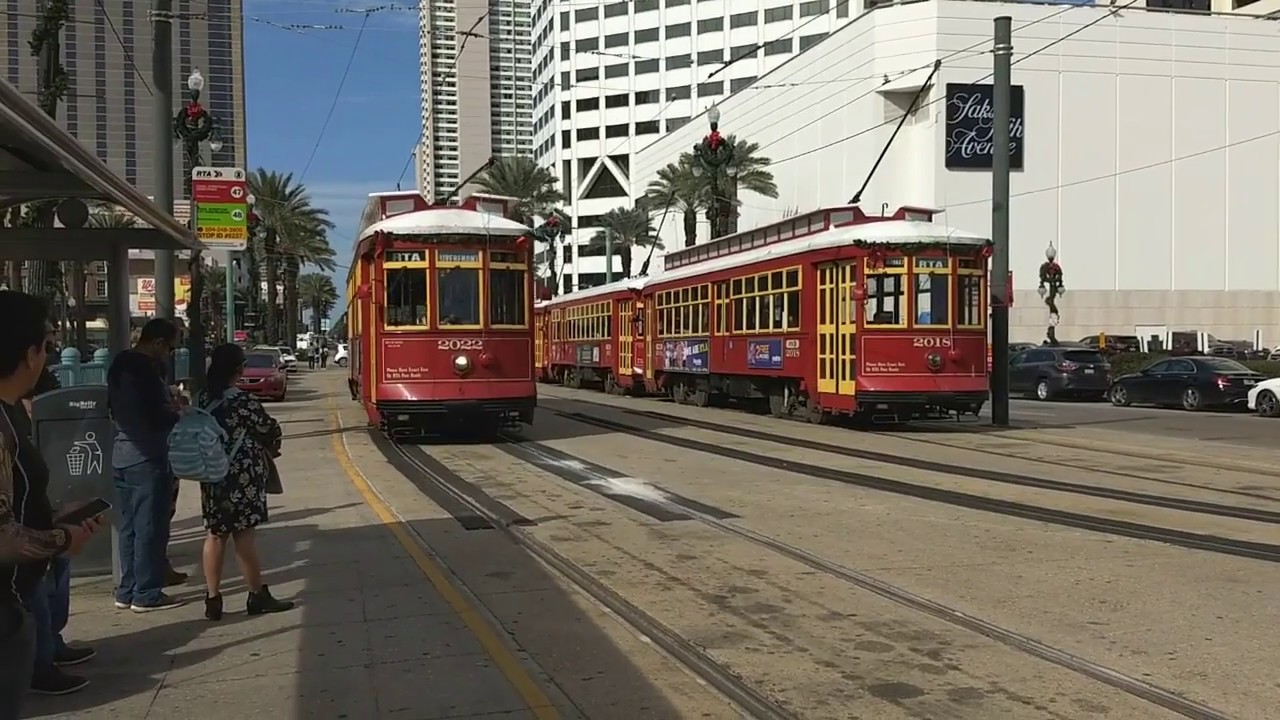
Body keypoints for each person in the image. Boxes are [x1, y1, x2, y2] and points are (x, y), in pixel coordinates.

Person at [0, 291, 101, 718]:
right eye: (47, 345)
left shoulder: (10, 414)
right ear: (30, 354)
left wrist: (54, 518)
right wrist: (61, 538)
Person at [198, 344, 294, 621]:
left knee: (215, 534)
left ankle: (213, 598)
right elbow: (268, 428)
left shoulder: (203, 398)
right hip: (242, 476)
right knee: (244, 536)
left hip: (212, 474)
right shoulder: (241, 400)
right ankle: (257, 594)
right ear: (239, 368)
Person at [107, 318, 185, 612]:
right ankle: (147, 593)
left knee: (128, 527)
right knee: (149, 526)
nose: (170, 354)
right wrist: (177, 413)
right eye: (170, 348)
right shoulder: (145, 372)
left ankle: (126, 590)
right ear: (157, 343)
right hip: (147, 456)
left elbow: (114, 408)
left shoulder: (120, 364)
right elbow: (154, 416)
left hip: (121, 455)